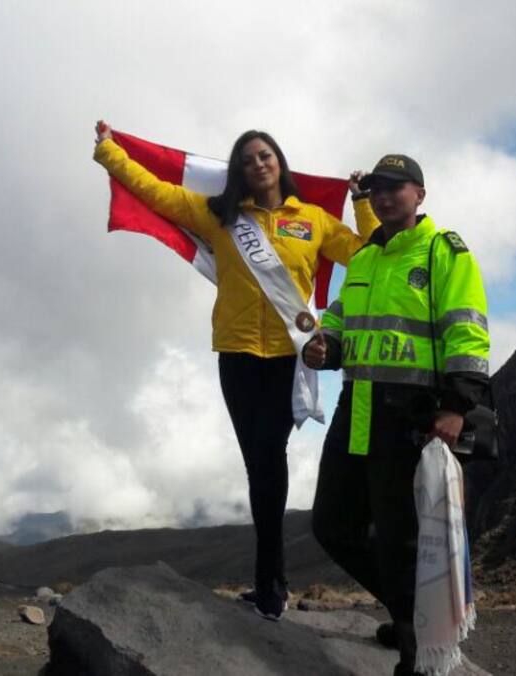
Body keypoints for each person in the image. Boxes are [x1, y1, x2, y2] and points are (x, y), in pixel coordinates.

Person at [93, 122, 380, 621]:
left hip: (289, 359)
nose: (258, 164)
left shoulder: (312, 220)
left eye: (265, 155)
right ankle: (271, 584)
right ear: (240, 173)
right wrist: (110, 153)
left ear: (279, 163)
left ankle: (271, 588)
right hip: (237, 356)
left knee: (268, 460)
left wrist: (361, 204)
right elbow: (158, 193)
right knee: (260, 465)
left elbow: (371, 257)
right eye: (248, 160)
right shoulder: (220, 216)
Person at [304, 154, 489, 675]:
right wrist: (324, 347)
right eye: (378, 190)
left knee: (401, 542)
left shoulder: (442, 252)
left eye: (396, 188)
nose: (385, 197)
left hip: (411, 419)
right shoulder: (363, 259)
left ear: (419, 195)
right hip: (356, 409)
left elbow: (468, 331)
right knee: (332, 525)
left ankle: (417, 658)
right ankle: (415, 614)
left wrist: (456, 407)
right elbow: (340, 322)